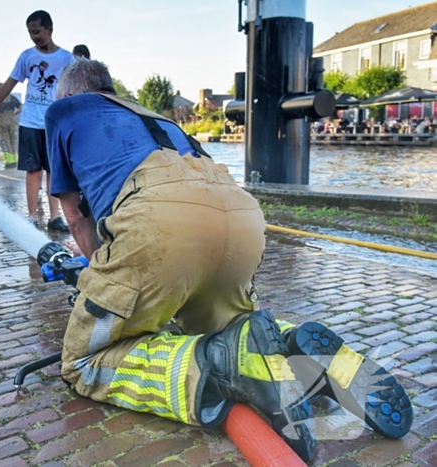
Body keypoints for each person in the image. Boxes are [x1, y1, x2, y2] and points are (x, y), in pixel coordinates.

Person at [43, 59, 413, 462]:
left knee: (83, 362)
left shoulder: (64, 111)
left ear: (68, 94)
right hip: (240, 217)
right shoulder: (153, 116)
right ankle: (292, 346)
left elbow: (76, 216)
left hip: (158, 220)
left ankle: (218, 365)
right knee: (238, 329)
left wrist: (105, 283)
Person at [0, 10, 74, 231]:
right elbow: (8, 86)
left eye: (37, 32)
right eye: (30, 33)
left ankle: (55, 218)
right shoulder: (27, 57)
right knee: (33, 170)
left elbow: (76, 89)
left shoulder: (66, 58)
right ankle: (32, 216)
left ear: (50, 29)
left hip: (54, 123)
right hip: (31, 122)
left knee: (53, 170)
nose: (34, 37)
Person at [0, 82, 22, 169]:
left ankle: (9, 162)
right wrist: (14, 113)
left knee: (5, 141)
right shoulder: (12, 97)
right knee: (13, 141)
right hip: (12, 121)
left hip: (2, 121)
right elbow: (20, 107)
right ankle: (15, 161)